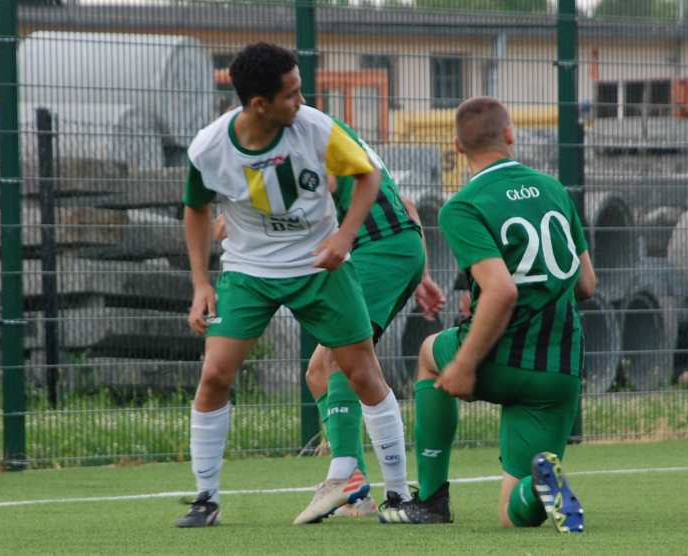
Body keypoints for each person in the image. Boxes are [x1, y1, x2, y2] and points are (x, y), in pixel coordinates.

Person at [176, 42, 411, 528]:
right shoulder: (208, 147)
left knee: (363, 374)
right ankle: (206, 499)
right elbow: (196, 209)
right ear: (258, 104)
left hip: (319, 271)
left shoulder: (316, 129)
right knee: (215, 374)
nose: (301, 102)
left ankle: (399, 495)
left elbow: (367, 176)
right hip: (249, 273)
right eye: (291, 94)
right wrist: (202, 282)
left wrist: (345, 237)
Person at [379, 97, 596, 532]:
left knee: (427, 354)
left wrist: (462, 364)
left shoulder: (463, 205)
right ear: (510, 134)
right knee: (514, 515)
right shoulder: (554, 189)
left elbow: (501, 291)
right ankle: (535, 490)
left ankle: (432, 500)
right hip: (559, 368)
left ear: (458, 148)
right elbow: (587, 285)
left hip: (500, 359)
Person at [212, 125, 446, 523]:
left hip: (379, 250)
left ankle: (362, 483)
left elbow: (307, 197)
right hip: (397, 247)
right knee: (319, 371)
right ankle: (356, 493)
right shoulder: (337, 134)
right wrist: (419, 271)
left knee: (340, 361)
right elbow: (405, 202)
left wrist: (245, 218)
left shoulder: (299, 141)